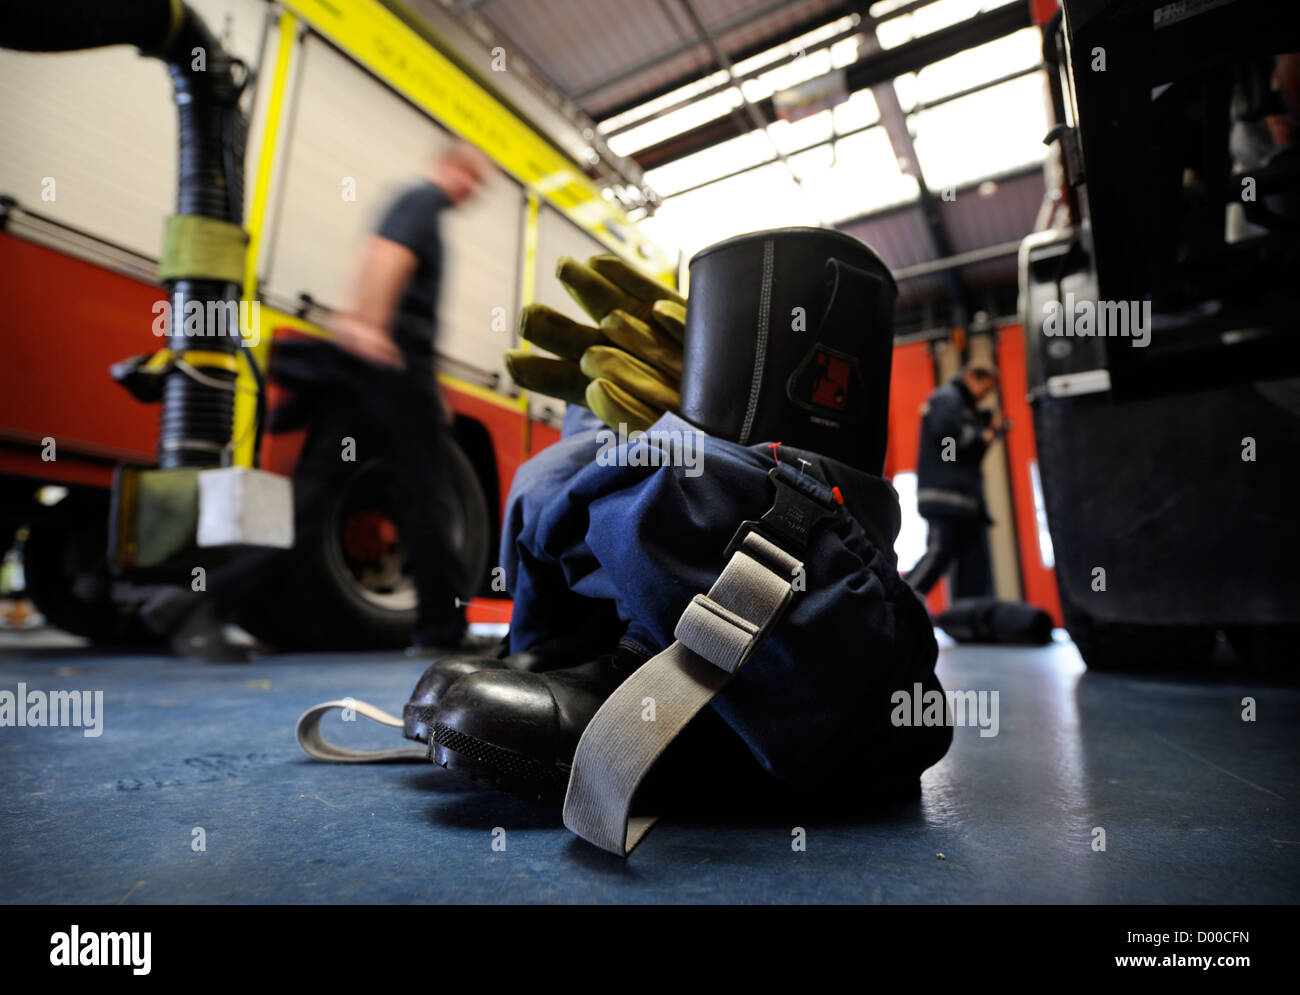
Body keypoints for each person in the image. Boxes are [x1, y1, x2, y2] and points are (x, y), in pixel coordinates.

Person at [145, 142, 494, 660]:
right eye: (470, 176)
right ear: (447, 167)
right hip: (389, 375)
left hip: (380, 372)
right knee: (427, 501)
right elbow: (385, 255)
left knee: (311, 505)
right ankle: (440, 631)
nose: (473, 190)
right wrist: (370, 329)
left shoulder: (421, 207)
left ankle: (194, 606)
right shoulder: (421, 202)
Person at [905, 357, 1008, 599]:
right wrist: (985, 434)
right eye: (987, 388)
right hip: (946, 498)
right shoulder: (946, 399)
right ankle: (897, 603)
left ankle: (968, 622)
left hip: (964, 502)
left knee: (973, 566)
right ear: (973, 377)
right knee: (938, 554)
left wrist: (984, 434)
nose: (987, 395)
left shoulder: (963, 406)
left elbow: (969, 455)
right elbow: (949, 444)